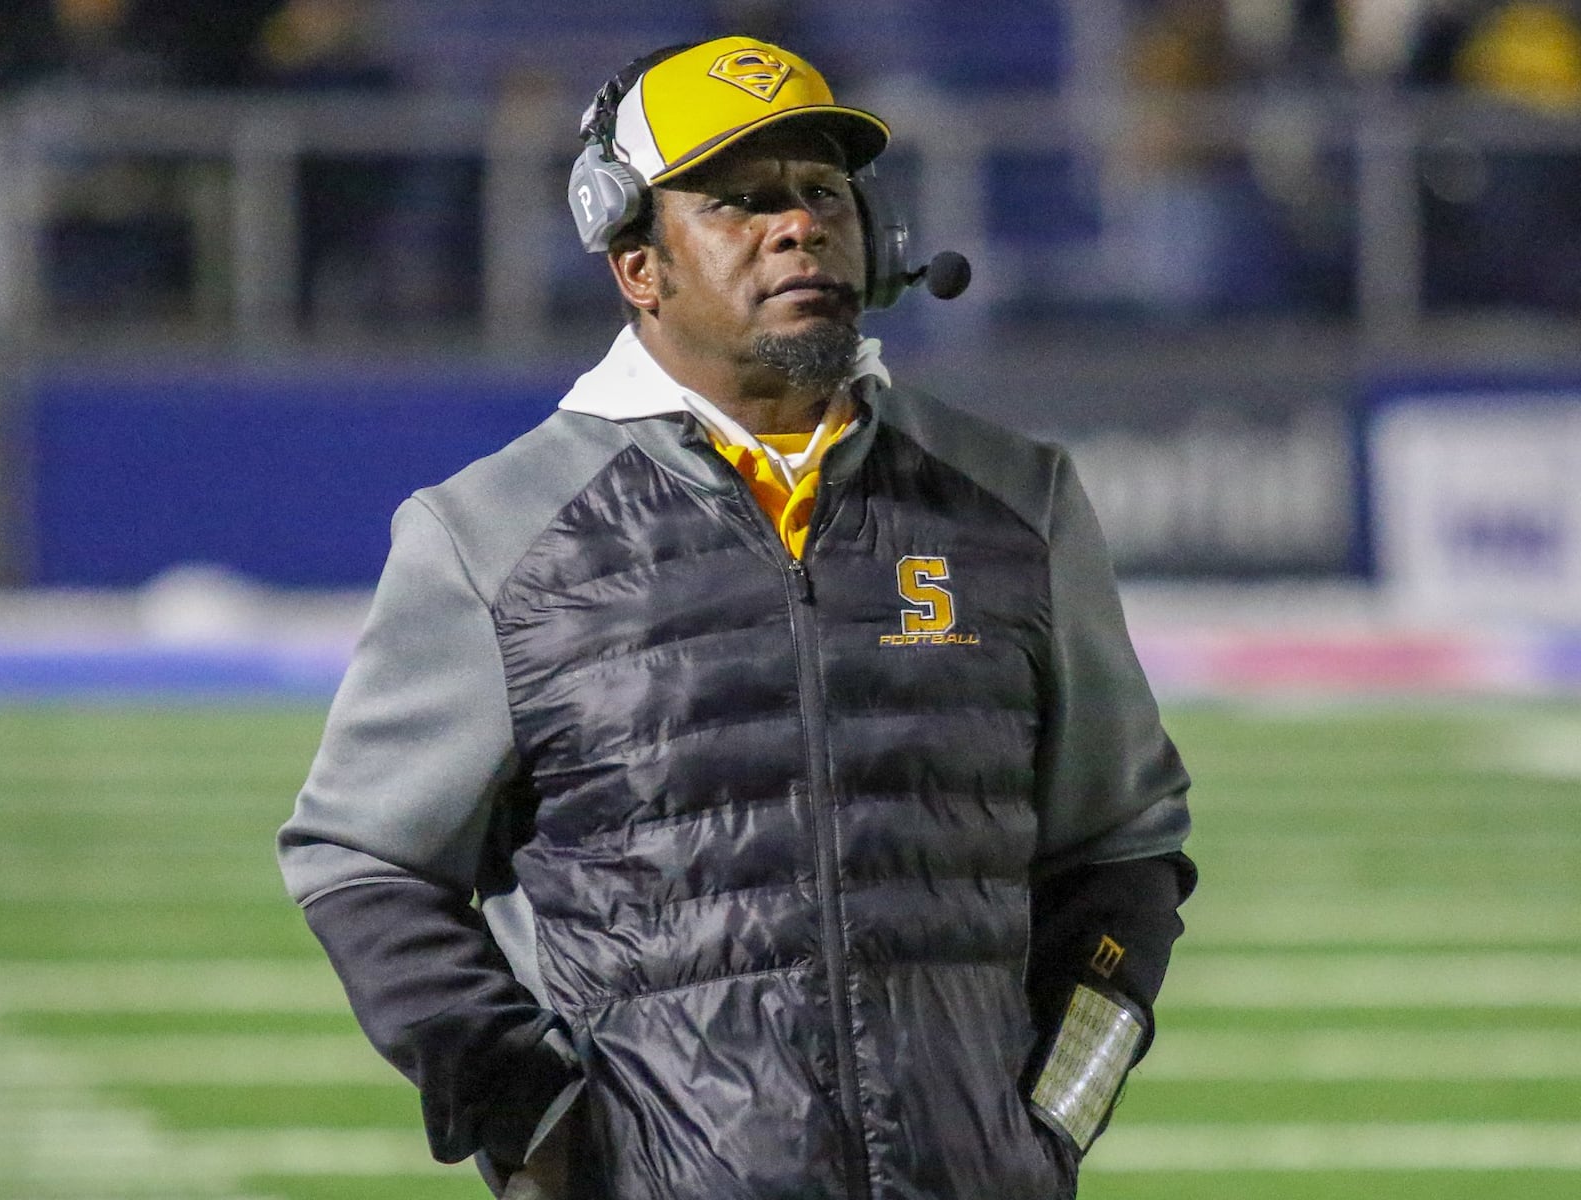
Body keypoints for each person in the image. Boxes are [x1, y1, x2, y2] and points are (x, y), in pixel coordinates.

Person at [277, 34, 1196, 1200]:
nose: (799, 225)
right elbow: (362, 862)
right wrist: (538, 1124)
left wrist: (1051, 1118)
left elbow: (1123, 849)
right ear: (636, 264)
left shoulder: (1018, 501)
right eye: (740, 202)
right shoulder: (490, 533)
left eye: (823, 193)